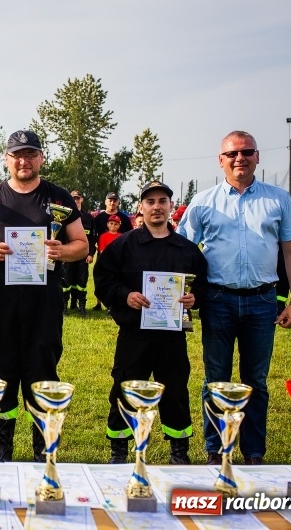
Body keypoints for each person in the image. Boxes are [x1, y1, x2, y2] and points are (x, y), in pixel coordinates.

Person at [177, 130, 291, 466]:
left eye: (247, 152)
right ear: (221, 161)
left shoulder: (278, 199)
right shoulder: (203, 202)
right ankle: (215, 450)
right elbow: (181, 249)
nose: (240, 158)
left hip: (263, 302)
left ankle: (253, 453)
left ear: (257, 157)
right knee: (215, 379)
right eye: (232, 153)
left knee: (256, 381)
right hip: (218, 299)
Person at [0, 130, 88, 462]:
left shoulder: (58, 197)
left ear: (41, 158)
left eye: (31, 154)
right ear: (6, 159)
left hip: (43, 300)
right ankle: (1, 448)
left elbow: (82, 245)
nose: (24, 160)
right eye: (17, 155)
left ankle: (42, 451)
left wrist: (63, 251)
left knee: (41, 372)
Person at [94, 181, 208, 465]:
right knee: (124, 389)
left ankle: (179, 450)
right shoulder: (124, 245)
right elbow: (103, 280)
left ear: (171, 206)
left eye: (162, 201)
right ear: (141, 208)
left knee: (176, 392)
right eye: (150, 202)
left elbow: (205, 286)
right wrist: (125, 295)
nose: (156, 206)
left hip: (172, 337)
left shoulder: (188, 250)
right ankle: (119, 449)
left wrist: (196, 299)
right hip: (135, 335)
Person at [63, 190, 96, 315]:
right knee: (67, 280)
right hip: (69, 255)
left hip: (83, 256)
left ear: (81, 199)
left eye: (77, 198)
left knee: (82, 281)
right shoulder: (64, 215)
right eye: (73, 198)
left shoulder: (88, 218)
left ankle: (81, 307)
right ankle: (64, 306)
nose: (75, 200)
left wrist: (91, 253)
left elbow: (93, 238)